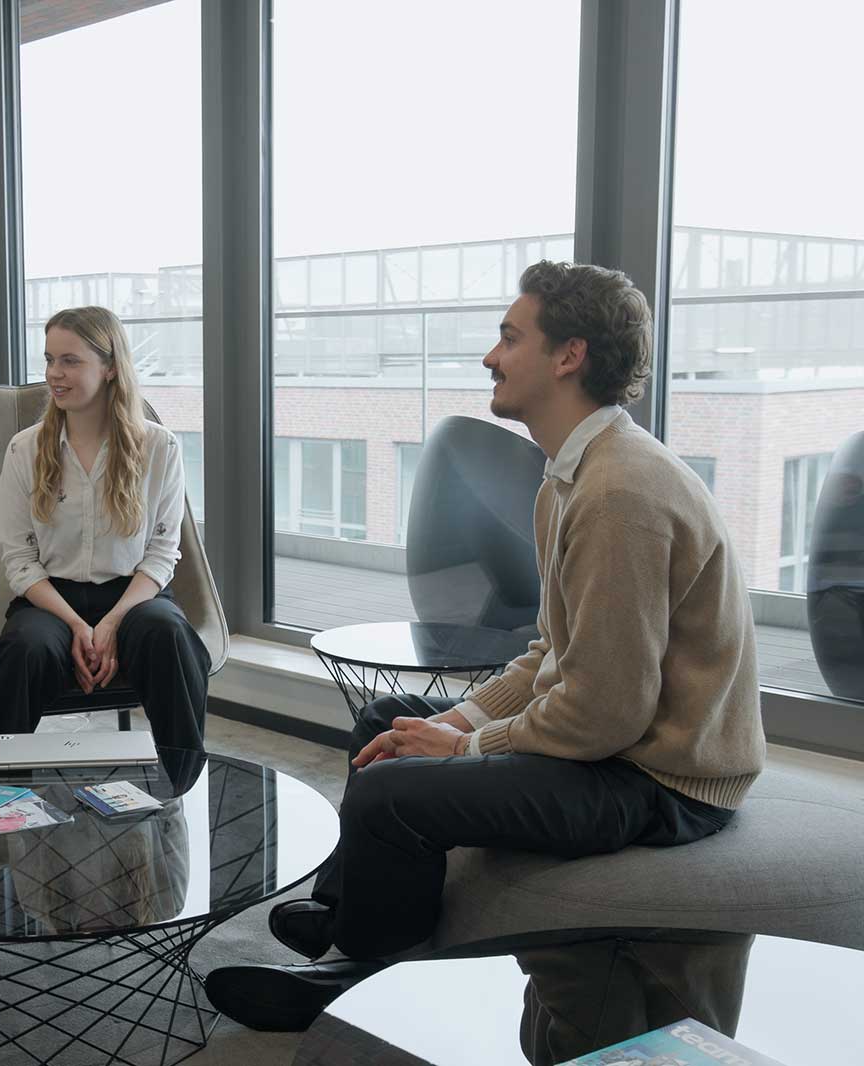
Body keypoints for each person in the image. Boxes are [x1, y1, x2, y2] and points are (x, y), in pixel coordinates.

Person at [206, 261, 766, 1031]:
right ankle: (349, 920)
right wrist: (458, 723)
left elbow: (603, 712)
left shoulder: (620, 493)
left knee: (393, 792)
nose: (489, 357)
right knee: (389, 722)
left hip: (663, 782)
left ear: (569, 355)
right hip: (620, 749)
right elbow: (550, 651)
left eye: (509, 337)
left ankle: (358, 980)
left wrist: (465, 749)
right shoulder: (571, 476)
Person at [0, 306, 210, 753]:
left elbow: (163, 552)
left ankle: (179, 788)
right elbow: (20, 560)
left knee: (171, 637)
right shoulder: (23, 449)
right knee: (25, 650)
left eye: (70, 360)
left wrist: (113, 621)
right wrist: (76, 625)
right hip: (51, 600)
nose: (54, 374)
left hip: (136, 598)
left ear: (109, 368)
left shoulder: (159, 447)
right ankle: (2, 797)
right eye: (49, 359)